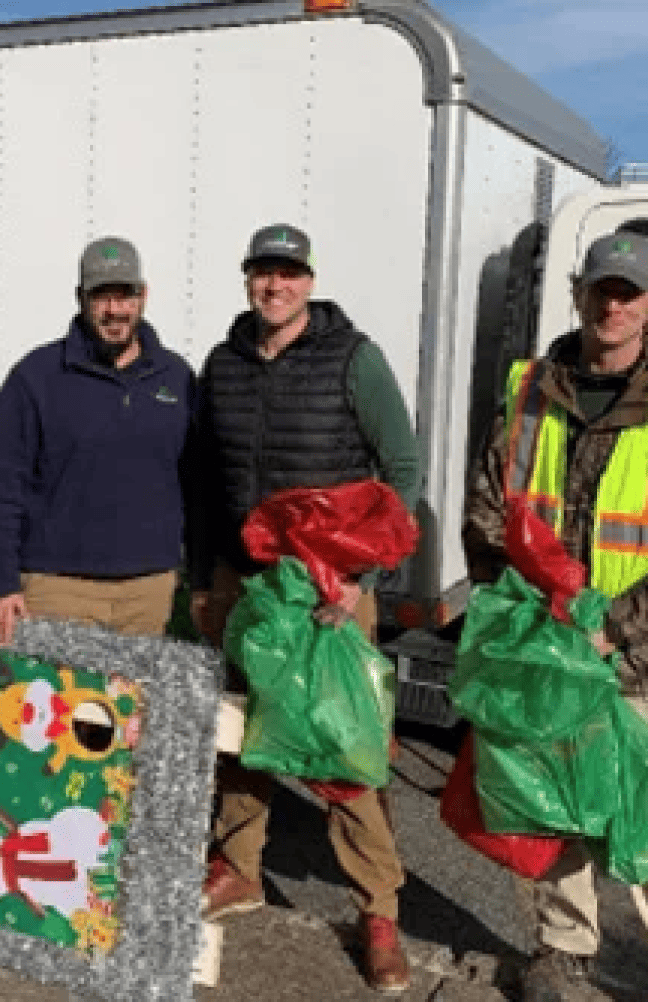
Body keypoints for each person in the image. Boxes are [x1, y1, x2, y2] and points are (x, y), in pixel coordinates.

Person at [463, 230, 648, 1002]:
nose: (612, 305)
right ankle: (562, 949)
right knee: (555, 812)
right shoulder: (529, 390)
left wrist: (613, 625)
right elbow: (487, 514)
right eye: (601, 289)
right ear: (579, 292)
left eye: (629, 294)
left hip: (640, 662)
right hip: (546, 653)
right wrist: (531, 613)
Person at [190, 223, 419, 994]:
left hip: (328, 593)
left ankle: (377, 912)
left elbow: (403, 470)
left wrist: (360, 574)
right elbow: (200, 477)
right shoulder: (221, 365)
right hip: (244, 586)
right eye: (263, 272)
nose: (274, 286)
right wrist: (202, 578)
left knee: (343, 751)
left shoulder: (355, 361)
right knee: (243, 738)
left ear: (309, 281)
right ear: (248, 278)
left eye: (288, 273)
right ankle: (240, 869)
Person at [0, 236, 194, 645]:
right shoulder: (36, 377)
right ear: (80, 298)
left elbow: (197, 483)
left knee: (134, 709)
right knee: (52, 708)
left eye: (125, 295)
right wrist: (0, 583)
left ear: (143, 296)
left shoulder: (176, 377)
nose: (115, 310)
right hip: (57, 589)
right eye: (101, 297)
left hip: (148, 592)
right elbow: (0, 487)